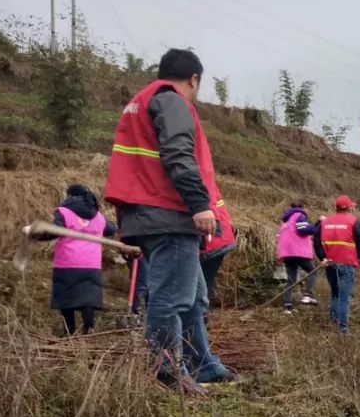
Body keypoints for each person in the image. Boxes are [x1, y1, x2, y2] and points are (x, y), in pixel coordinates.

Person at [103, 48, 235, 394]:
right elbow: (178, 153)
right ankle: (166, 369)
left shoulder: (142, 102)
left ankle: (203, 364)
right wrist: (199, 204)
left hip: (147, 212)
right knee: (171, 297)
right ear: (193, 79)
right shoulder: (173, 101)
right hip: (168, 214)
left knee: (192, 297)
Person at [34, 184, 117, 335]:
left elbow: (53, 232)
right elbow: (111, 230)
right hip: (92, 265)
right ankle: (89, 327)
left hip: (67, 263)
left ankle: (69, 329)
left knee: (66, 297)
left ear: (70, 196)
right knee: (88, 297)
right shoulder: (98, 217)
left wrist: (37, 235)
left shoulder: (64, 213)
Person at [310, 195, 360, 334]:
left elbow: (316, 240)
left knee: (335, 294)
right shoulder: (354, 222)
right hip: (347, 264)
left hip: (330, 263)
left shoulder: (325, 223)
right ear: (348, 208)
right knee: (344, 297)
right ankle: (342, 330)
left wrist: (322, 257)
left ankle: (333, 322)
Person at [277, 202, 318, 314]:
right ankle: (307, 295)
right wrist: (317, 225)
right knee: (312, 271)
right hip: (298, 252)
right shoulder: (300, 215)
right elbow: (303, 230)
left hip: (287, 254)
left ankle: (287, 306)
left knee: (291, 280)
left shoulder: (285, 221)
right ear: (302, 207)